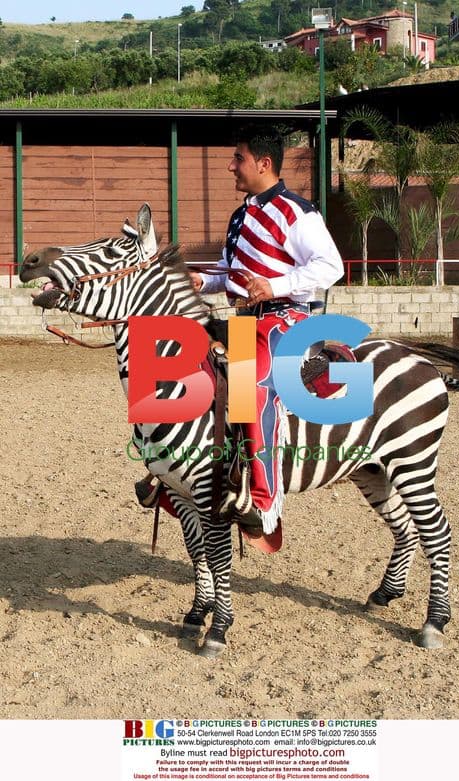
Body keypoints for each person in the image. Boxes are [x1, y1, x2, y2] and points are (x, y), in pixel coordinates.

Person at [190, 124, 344, 536]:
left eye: (237, 158)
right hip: (245, 321)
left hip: (287, 319)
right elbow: (233, 273)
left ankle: (264, 500)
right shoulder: (240, 215)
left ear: (264, 163)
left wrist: (275, 286)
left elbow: (332, 266)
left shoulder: (298, 212)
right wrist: (204, 282)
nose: (230, 167)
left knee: (250, 386)